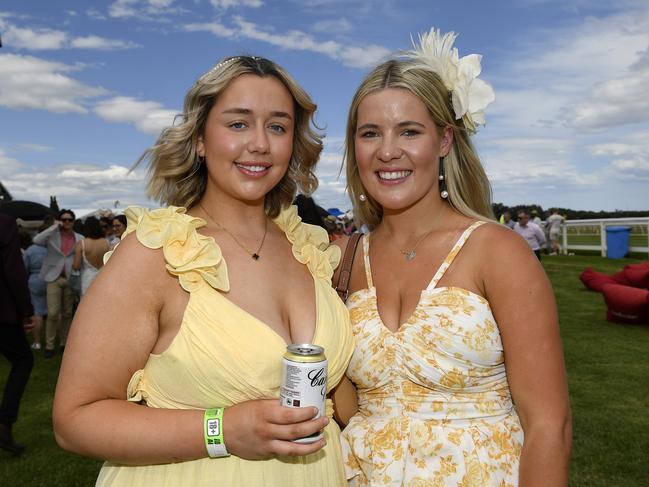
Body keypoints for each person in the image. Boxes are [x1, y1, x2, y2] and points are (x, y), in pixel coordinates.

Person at [53, 55, 353, 486]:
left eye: (278, 126)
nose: (260, 144)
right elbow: (74, 420)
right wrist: (221, 431)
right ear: (199, 139)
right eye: (237, 124)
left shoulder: (311, 249)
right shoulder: (157, 253)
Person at [332, 28, 571, 486]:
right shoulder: (343, 259)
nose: (387, 151)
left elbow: (549, 426)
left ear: (444, 141)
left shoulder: (497, 251)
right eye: (370, 133)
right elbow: (344, 404)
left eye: (409, 131)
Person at [0, 213, 35, 455]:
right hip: (2, 310)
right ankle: (4, 424)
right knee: (23, 360)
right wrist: (26, 310)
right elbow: (13, 271)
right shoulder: (4, 223)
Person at [32, 209, 83, 358]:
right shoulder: (52, 235)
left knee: (68, 313)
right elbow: (36, 240)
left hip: (70, 278)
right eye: (64, 219)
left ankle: (64, 343)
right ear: (59, 220)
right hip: (53, 278)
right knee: (53, 313)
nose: (66, 222)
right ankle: (49, 345)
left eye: (69, 220)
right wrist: (54, 226)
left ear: (73, 221)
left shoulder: (79, 237)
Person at [22, 228, 48, 349]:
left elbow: (23, 268)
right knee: (54, 312)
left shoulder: (30, 251)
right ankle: (55, 342)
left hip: (34, 279)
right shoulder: (50, 249)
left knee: (37, 312)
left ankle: (37, 342)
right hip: (49, 279)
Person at [72, 216, 109, 296]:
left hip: (87, 278)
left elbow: (76, 266)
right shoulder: (106, 243)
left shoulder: (82, 244)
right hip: (104, 277)